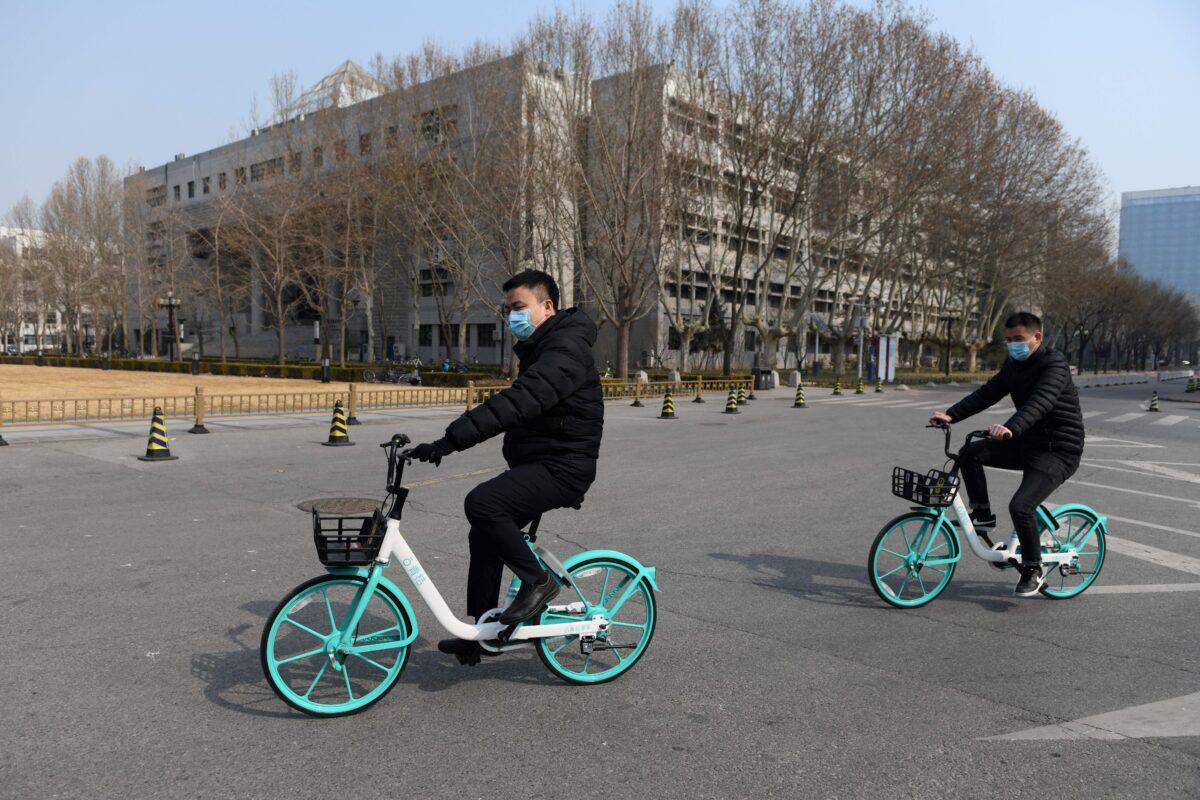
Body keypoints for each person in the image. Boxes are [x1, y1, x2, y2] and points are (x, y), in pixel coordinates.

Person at [410, 269, 603, 665]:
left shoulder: (566, 350)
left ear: (547, 307)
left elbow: (518, 402)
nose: (511, 316)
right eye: (507, 310)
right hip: (541, 464)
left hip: (563, 468)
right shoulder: (543, 347)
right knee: (484, 534)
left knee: (482, 503)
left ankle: (539, 581)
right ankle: (482, 632)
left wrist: (450, 441)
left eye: (518, 307)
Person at [929, 312, 1084, 597]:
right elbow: (987, 393)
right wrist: (951, 415)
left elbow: (1041, 402)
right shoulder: (1014, 365)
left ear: (1037, 337)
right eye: (1009, 340)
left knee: (1021, 506)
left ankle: (1033, 569)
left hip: (1059, 449)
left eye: (1019, 340)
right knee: (970, 453)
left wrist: (1011, 427)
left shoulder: (1055, 366)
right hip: (1027, 442)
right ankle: (983, 515)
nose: (1013, 345)